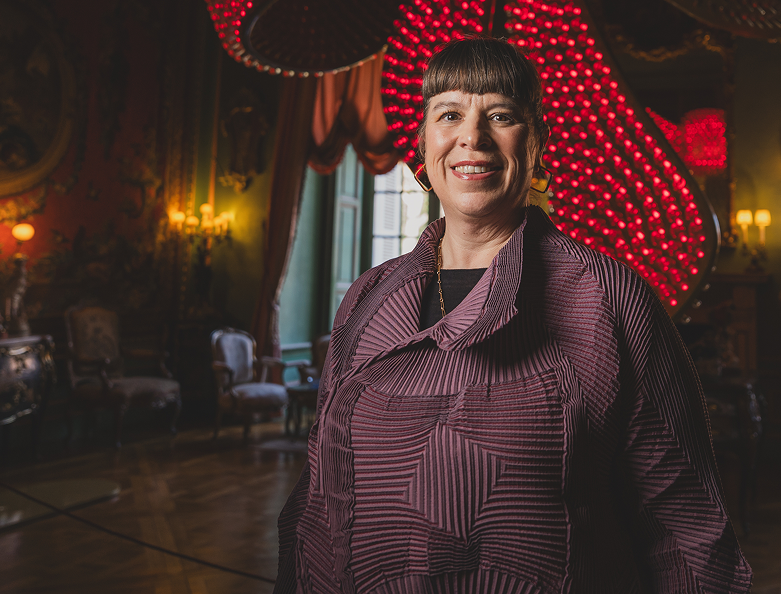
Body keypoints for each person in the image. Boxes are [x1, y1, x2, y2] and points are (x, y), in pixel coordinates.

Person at [274, 38, 751, 593]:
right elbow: (317, 503)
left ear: (537, 144)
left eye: (499, 115)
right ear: (425, 145)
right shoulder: (367, 297)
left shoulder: (609, 296)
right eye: (449, 114)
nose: (471, 137)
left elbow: (686, 527)